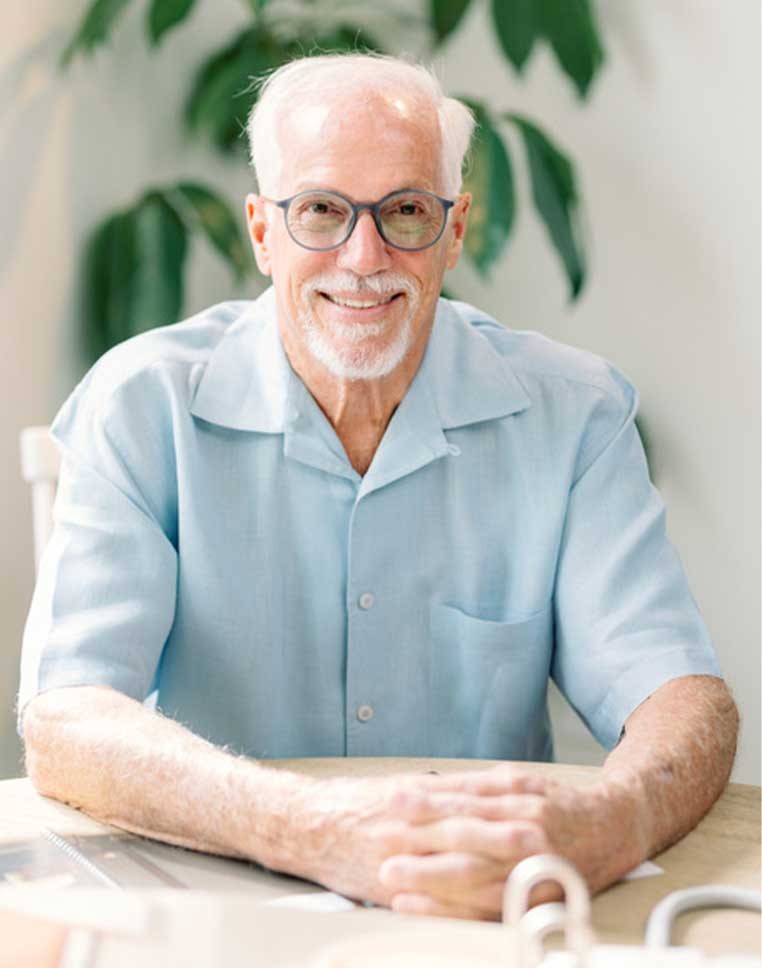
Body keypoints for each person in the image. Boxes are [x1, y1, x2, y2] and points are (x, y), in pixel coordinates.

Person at [18, 53, 737, 920]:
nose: (364, 257)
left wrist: (616, 816)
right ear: (262, 230)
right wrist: (311, 828)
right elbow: (66, 722)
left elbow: (682, 698)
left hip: (483, 913)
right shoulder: (139, 405)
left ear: (456, 227)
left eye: (404, 211)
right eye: (321, 210)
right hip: (219, 901)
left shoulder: (574, 414)